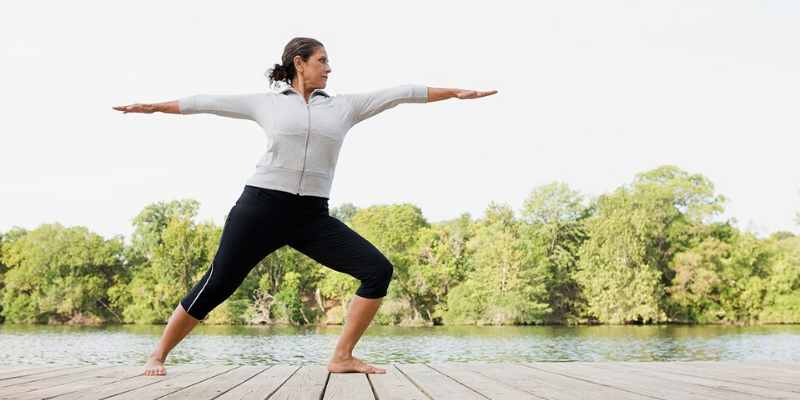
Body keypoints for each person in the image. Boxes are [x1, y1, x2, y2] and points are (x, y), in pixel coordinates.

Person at [113, 37, 496, 376]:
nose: (329, 68)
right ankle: (158, 354)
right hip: (260, 207)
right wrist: (151, 107)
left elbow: (400, 93)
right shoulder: (268, 104)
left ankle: (342, 356)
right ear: (300, 64)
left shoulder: (344, 107)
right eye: (322, 61)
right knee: (218, 283)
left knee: (377, 270)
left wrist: (455, 92)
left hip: (312, 216)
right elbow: (204, 103)